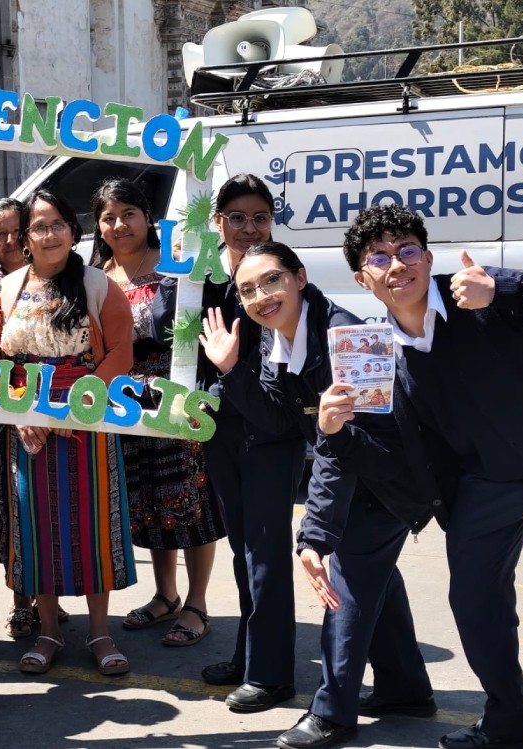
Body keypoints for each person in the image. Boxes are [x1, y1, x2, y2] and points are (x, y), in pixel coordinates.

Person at [332, 203, 523, 749]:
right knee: (474, 605)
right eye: (379, 256)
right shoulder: (373, 353)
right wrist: (337, 430)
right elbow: (393, 446)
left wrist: (511, 291)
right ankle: (507, 719)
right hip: (484, 485)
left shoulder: (484, 294)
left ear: (428, 255)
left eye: (407, 249)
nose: (397, 263)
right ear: (361, 277)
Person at [199, 240, 435, 749]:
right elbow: (279, 422)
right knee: (375, 579)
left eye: (271, 281)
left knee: (346, 586)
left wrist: (315, 535)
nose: (261, 296)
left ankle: (331, 712)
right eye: (247, 290)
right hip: (358, 473)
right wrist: (231, 368)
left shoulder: (347, 340)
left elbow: (342, 448)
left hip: (393, 478)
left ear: (300, 277)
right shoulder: (271, 340)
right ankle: (405, 689)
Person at [0, 188, 136, 676]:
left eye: (57, 223)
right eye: (38, 227)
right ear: (24, 238)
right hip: (27, 426)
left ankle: (101, 632)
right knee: (34, 526)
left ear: (73, 230)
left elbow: (120, 352)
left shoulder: (99, 286)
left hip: (89, 420)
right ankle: (48, 632)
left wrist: (75, 409)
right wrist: (18, 410)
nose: (48, 234)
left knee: (94, 525)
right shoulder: (3, 290)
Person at [89, 177, 225, 647]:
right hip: (121, 406)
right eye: (109, 217)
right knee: (147, 500)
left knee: (188, 499)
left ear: (148, 218)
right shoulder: (96, 276)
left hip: (174, 397)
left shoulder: (175, 265)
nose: (119, 224)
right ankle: (165, 596)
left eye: (128, 213)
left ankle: (198, 604)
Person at [194, 175, 308, 713]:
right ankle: (249, 655)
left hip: (271, 436)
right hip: (221, 435)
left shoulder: (281, 277)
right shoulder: (200, 280)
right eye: (236, 217)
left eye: (260, 217)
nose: (248, 228)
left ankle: (271, 676)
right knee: (243, 554)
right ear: (218, 222)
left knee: (265, 557)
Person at [0, 198, 70, 639]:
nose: (6, 240)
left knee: (47, 511)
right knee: (9, 512)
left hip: (49, 414)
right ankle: (21, 602)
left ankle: (50, 600)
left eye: (13, 230)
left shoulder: (57, 279)